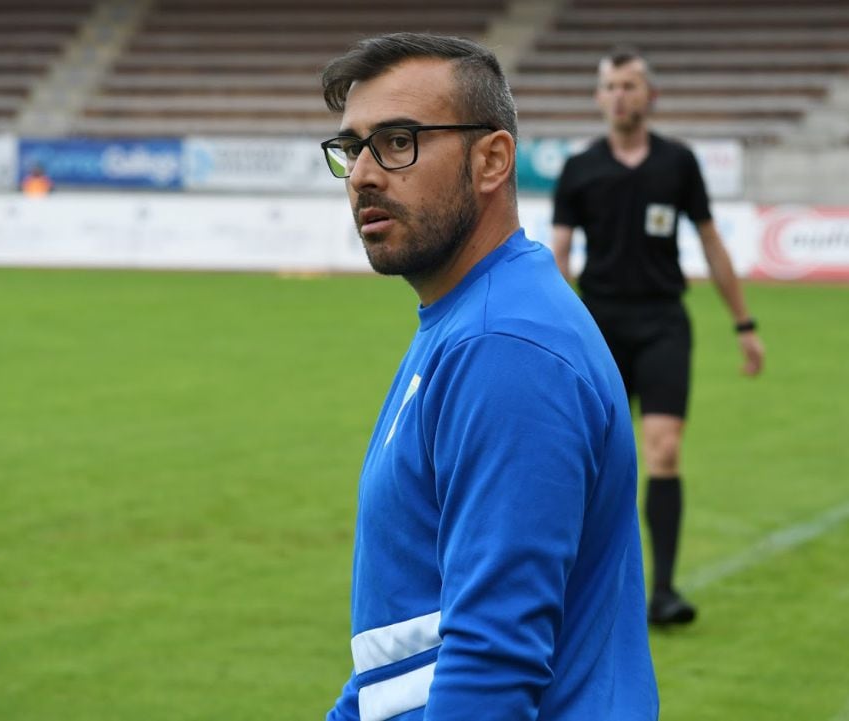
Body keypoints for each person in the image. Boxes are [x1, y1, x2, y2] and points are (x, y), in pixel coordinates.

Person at [320, 33, 658, 721]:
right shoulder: (465, 318)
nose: (363, 175)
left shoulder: (503, 345)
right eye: (353, 148)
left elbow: (492, 665)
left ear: (492, 160)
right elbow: (396, 659)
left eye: (398, 141)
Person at [551, 48, 765, 627]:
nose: (620, 95)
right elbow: (561, 254)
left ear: (650, 96)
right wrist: (560, 329)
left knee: (664, 450)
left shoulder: (679, 163)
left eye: (630, 85)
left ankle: (663, 591)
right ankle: (576, 587)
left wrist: (743, 324)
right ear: (599, 98)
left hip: (664, 323)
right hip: (600, 327)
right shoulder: (580, 169)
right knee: (593, 461)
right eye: (611, 86)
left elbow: (712, 243)